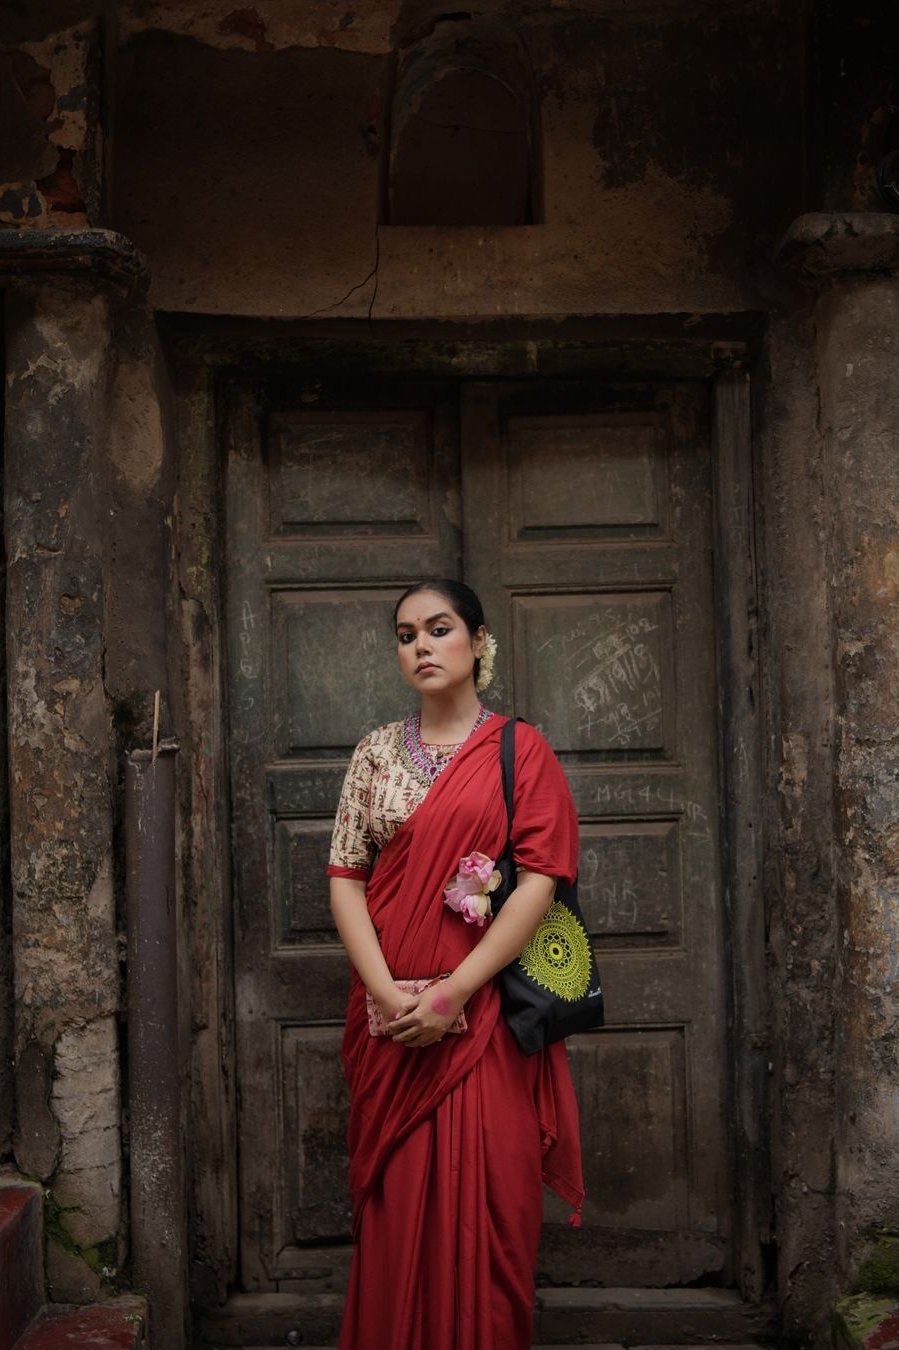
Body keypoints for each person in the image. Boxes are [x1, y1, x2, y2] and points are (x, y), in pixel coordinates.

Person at [327, 579, 585, 1350]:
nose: (421, 647)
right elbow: (346, 874)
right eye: (406, 636)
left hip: (484, 1021)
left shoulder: (519, 749)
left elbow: (541, 876)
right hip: (391, 1023)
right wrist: (386, 994)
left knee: (494, 1207)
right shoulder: (374, 752)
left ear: (477, 643)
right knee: (398, 1207)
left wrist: (454, 993)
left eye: (438, 630)